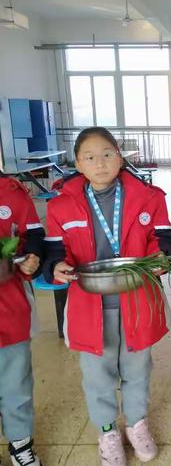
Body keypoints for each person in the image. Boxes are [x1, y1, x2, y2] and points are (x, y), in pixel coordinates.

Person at [43, 127, 171, 466]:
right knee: (97, 374)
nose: (100, 163)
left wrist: (161, 256)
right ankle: (107, 432)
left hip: (137, 303)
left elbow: (163, 238)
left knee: (138, 369)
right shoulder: (61, 206)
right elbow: (55, 253)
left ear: (120, 157)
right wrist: (57, 266)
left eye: (107, 154)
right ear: (78, 163)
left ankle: (136, 424)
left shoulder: (149, 198)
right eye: (90, 157)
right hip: (89, 307)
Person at [0, 174, 44, 466]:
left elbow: (35, 236)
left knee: (15, 382)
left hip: (9, 309)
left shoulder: (12, 194)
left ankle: (20, 443)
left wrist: (32, 258)